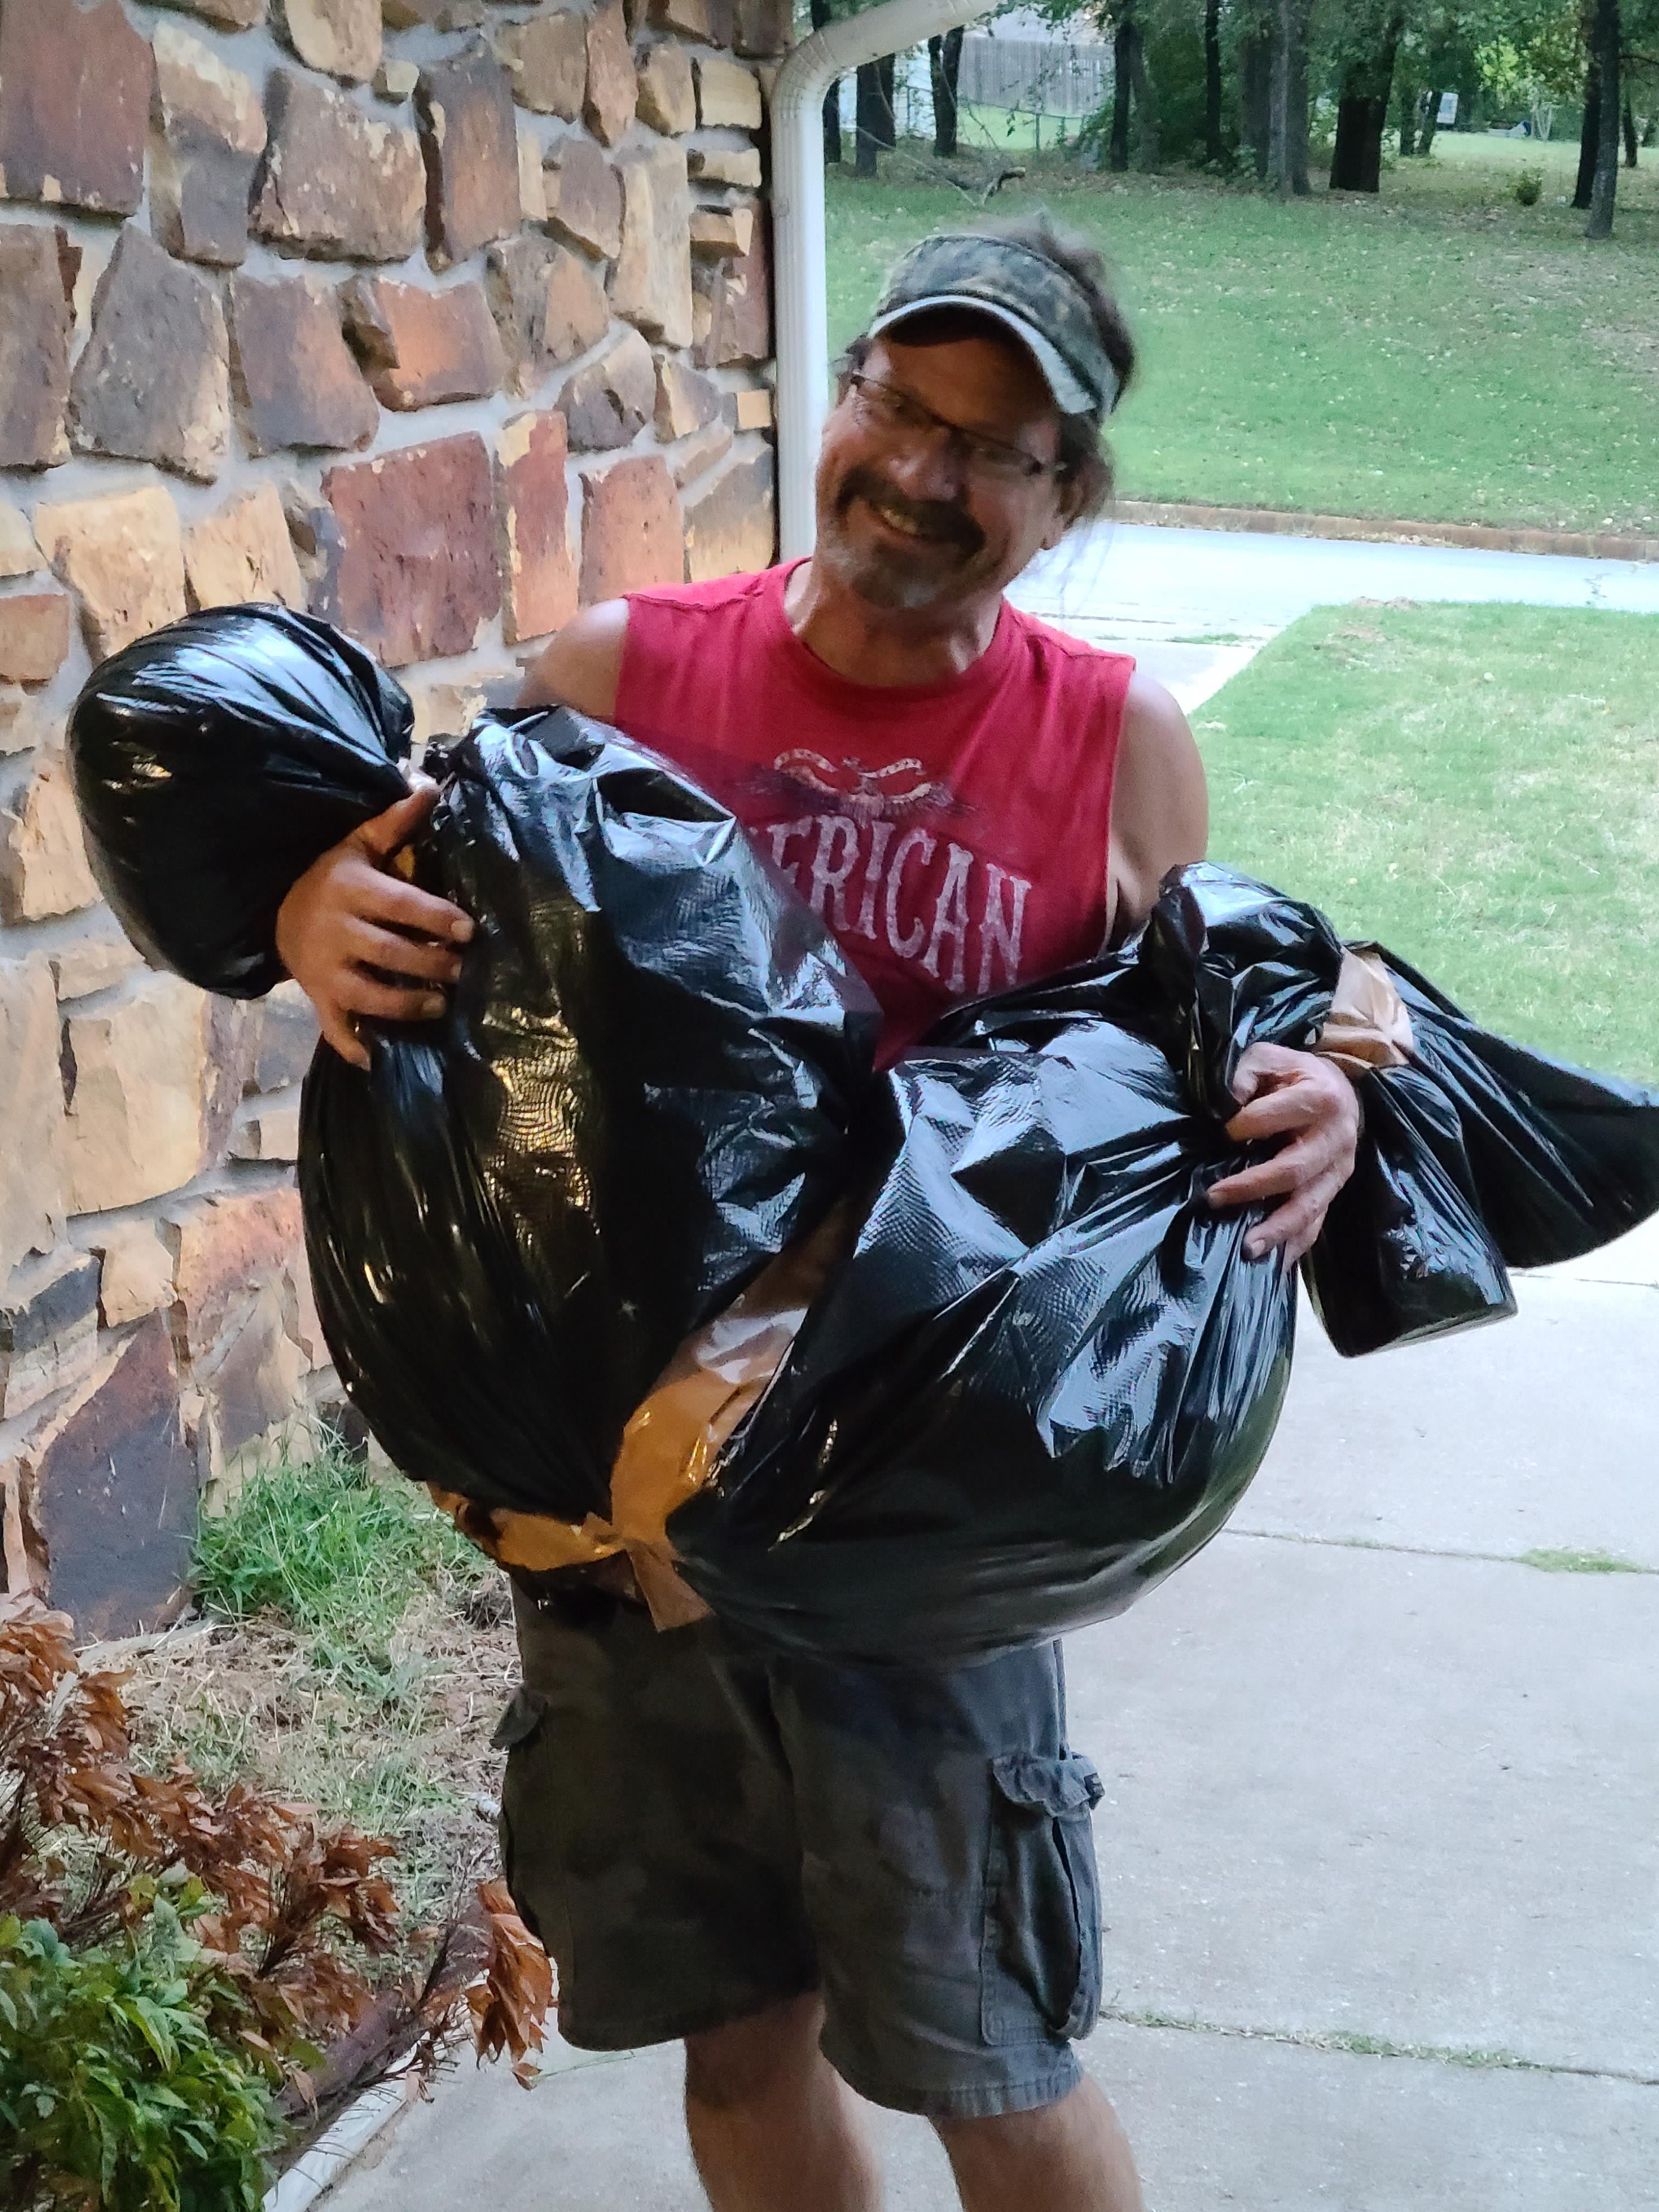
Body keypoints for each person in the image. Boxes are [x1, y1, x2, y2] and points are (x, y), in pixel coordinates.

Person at [275, 217, 1359, 2212]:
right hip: (620, 1522)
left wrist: (1335, 1079)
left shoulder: (1113, 749)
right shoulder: (620, 675)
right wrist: (300, 909)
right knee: (738, 2045)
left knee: (993, 2066)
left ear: (1065, 497)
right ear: (842, 394)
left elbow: (1234, 1017)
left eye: (997, 448)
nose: (925, 474)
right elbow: (402, 904)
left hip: (917, 1547)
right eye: (901, 406)